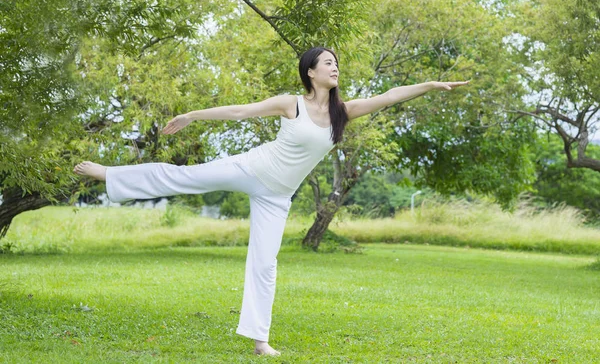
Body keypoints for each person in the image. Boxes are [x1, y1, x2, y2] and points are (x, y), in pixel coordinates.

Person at [73, 46, 469, 356]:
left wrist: (430, 86)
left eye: (336, 63)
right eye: (327, 63)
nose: (334, 67)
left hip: (277, 196)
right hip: (252, 168)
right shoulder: (290, 103)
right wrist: (194, 115)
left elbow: (389, 95)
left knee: (265, 264)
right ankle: (110, 174)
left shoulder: (341, 113)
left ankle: (259, 340)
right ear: (310, 72)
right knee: (184, 177)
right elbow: (240, 111)